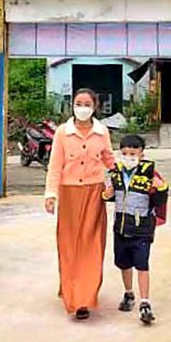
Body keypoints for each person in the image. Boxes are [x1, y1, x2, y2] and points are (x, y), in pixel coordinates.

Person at [44, 88, 115, 321]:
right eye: (78, 103)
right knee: (68, 244)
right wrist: (51, 194)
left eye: (87, 103)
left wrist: (124, 174)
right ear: (72, 105)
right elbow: (55, 166)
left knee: (92, 245)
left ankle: (84, 298)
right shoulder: (63, 133)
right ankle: (70, 289)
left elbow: (109, 159)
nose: (82, 107)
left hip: (95, 194)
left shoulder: (101, 132)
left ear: (95, 106)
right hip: (69, 193)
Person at [102, 135, 169, 325]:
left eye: (133, 153)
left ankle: (145, 302)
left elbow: (159, 201)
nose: (128, 157)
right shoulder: (115, 173)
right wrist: (106, 195)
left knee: (142, 265)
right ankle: (128, 293)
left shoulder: (150, 174)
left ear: (142, 154)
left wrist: (162, 188)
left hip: (141, 230)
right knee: (123, 264)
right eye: (124, 154)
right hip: (121, 228)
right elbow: (115, 197)